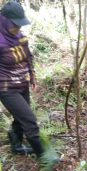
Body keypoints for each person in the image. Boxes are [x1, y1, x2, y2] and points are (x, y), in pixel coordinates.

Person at [0, 1, 45, 160]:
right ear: (4, 20)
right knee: (29, 120)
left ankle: (16, 146)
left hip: (22, 83)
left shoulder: (19, 36)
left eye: (19, 25)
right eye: (15, 25)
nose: (18, 28)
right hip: (6, 88)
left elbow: (28, 55)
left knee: (20, 118)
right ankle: (43, 156)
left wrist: (32, 74)